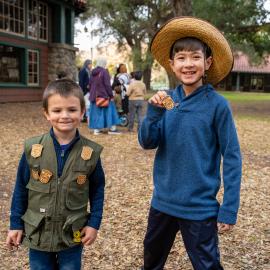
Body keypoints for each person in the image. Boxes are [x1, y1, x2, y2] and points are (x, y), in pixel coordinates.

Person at [138, 17, 242, 270]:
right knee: (151, 260)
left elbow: (231, 156)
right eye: (181, 58)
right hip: (163, 202)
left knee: (207, 265)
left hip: (199, 207)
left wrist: (229, 207)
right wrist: (153, 113)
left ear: (207, 63)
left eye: (195, 57)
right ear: (172, 65)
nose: (188, 64)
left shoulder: (217, 106)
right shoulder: (169, 102)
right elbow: (147, 142)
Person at [6, 79, 105, 270]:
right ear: (46, 114)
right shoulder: (33, 149)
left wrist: (94, 224)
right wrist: (15, 224)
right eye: (57, 110)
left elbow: (97, 190)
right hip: (38, 232)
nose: (65, 116)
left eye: (72, 110)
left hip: (72, 233)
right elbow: (20, 189)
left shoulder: (91, 153)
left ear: (83, 112)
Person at [88, 57, 121, 135]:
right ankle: (112, 129)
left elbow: (90, 84)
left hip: (94, 96)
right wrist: (111, 95)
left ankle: (96, 130)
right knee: (110, 110)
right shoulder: (104, 72)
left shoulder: (93, 72)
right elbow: (107, 85)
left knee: (96, 113)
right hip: (103, 96)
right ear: (104, 63)